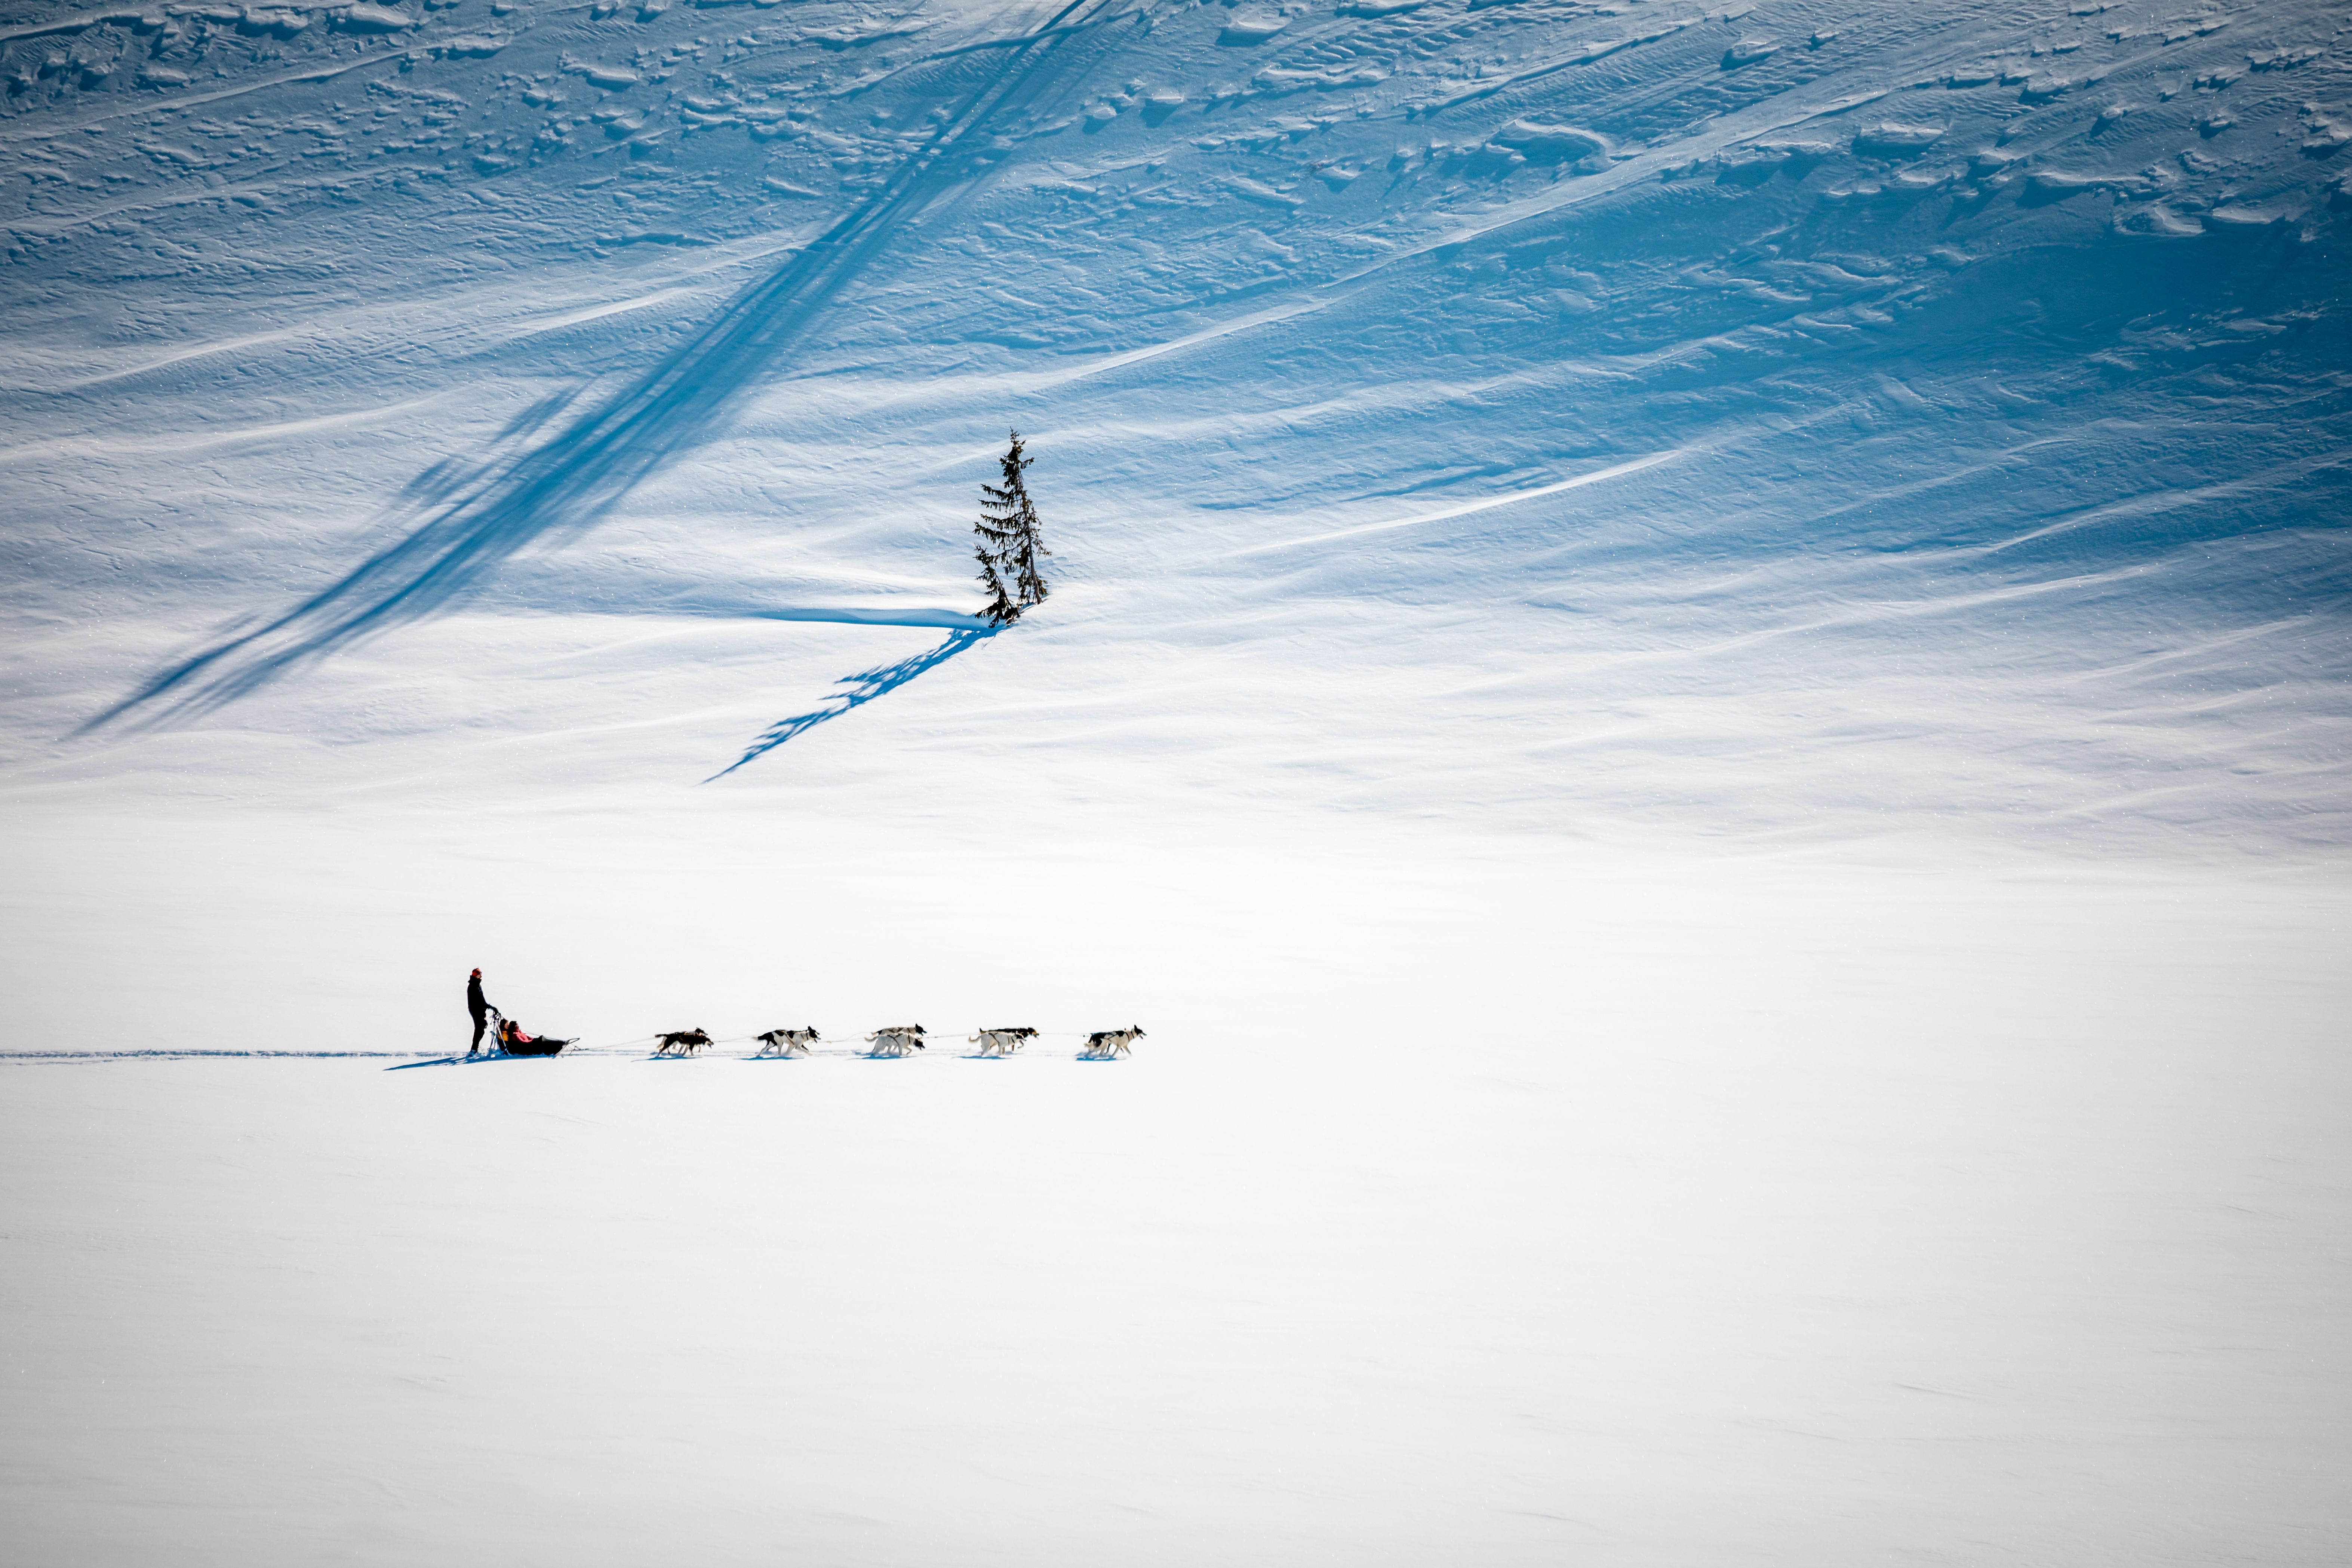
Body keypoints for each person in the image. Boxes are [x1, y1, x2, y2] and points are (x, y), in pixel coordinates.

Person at [467, 968, 491, 1056]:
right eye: (480, 975)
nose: (481, 976)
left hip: (480, 1010)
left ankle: (475, 1048)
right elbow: (480, 1001)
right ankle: (474, 1050)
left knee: (481, 1028)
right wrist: (489, 1007)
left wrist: (487, 1006)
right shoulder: (473, 986)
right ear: (476, 976)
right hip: (476, 1010)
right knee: (479, 1030)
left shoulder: (477, 985)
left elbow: (482, 999)